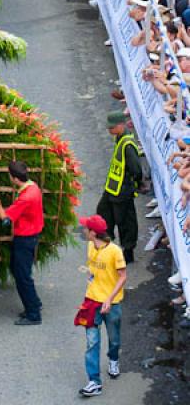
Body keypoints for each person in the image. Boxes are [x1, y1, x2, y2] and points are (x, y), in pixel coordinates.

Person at [77, 214, 126, 398]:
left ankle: (113, 359)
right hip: (91, 301)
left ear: (93, 232)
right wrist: (89, 275)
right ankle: (94, 382)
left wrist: (108, 299)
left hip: (111, 303)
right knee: (91, 342)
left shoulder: (115, 251)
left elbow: (122, 276)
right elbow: (93, 270)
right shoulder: (90, 246)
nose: (83, 230)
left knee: (114, 339)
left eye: (85, 228)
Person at [0, 161, 44, 326]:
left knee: (23, 277)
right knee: (18, 270)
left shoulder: (26, 197)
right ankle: (34, 303)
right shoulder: (33, 187)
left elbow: (6, 219)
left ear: (14, 178)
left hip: (25, 239)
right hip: (31, 236)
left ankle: (33, 314)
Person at [96, 113, 142, 264]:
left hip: (122, 192)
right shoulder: (120, 139)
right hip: (112, 188)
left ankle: (127, 252)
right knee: (103, 214)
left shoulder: (128, 145)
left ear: (121, 125)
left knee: (125, 222)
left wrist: (135, 185)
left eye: (112, 127)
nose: (109, 130)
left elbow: (136, 169)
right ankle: (106, 245)